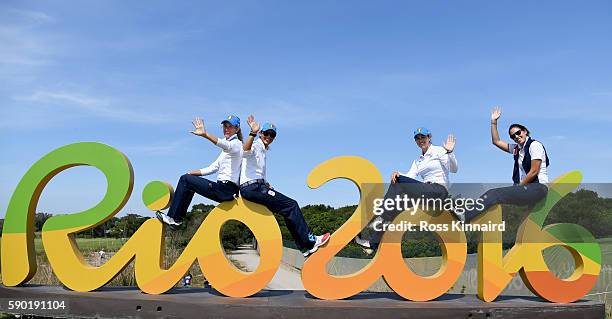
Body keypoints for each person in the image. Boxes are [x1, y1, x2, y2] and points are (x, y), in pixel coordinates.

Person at [355, 127, 458, 254]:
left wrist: (450, 152)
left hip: (437, 192)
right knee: (395, 207)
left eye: (423, 137)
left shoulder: (439, 151)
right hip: (424, 193)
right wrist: (398, 173)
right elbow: (410, 176)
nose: (421, 140)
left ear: (429, 137)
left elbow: (454, 169)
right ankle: (372, 243)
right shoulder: (418, 160)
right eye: (417, 138)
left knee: (397, 184)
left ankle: (380, 214)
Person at [239, 115, 330, 257]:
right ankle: (310, 240)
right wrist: (253, 132)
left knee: (287, 210)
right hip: (252, 188)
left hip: (256, 186)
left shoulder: (263, 149)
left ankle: (305, 248)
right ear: (261, 133)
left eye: (272, 135)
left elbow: (254, 171)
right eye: (266, 133)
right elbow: (244, 152)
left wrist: (266, 183)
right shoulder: (256, 144)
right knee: (292, 205)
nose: (269, 136)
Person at [462, 106, 549, 223]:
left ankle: (465, 216)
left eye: (518, 133)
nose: (516, 137)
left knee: (494, 193)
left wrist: (519, 187)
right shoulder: (516, 149)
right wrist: (493, 122)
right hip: (527, 189)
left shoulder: (535, 145)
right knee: (522, 222)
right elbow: (496, 141)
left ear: (525, 131)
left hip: (537, 188)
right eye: (513, 136)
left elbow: (534, 171)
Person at [156, 115, 243, 227]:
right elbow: (212, 168)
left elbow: (225, 144)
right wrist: (190, 173)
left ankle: (173, 218)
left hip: (226, 190)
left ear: (237, 129)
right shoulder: (226, 150)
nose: (226, 129)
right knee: (187, 181)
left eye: (230, 127)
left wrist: (205, 134)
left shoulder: (236, 144)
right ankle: (177, 219)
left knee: (185, 180)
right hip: (222, 188)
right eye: (225, 126)